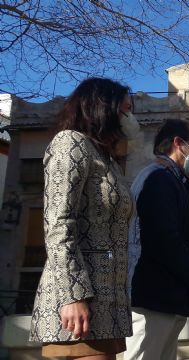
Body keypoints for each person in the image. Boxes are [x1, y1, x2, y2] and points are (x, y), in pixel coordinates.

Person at [30, 77, 139, 359]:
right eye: (125, 109)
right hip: (78, 312)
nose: (130, 117)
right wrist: (73, 295)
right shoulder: (70, 143)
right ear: (103, 108)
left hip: (107, 309)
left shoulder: (107, 159)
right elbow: (58, 222)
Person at [124, 119, 189, 360]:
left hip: (166, 296)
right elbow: (164, 239)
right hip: (153, 297)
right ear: (179, 143)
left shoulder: (171, 180)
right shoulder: (158, 178)